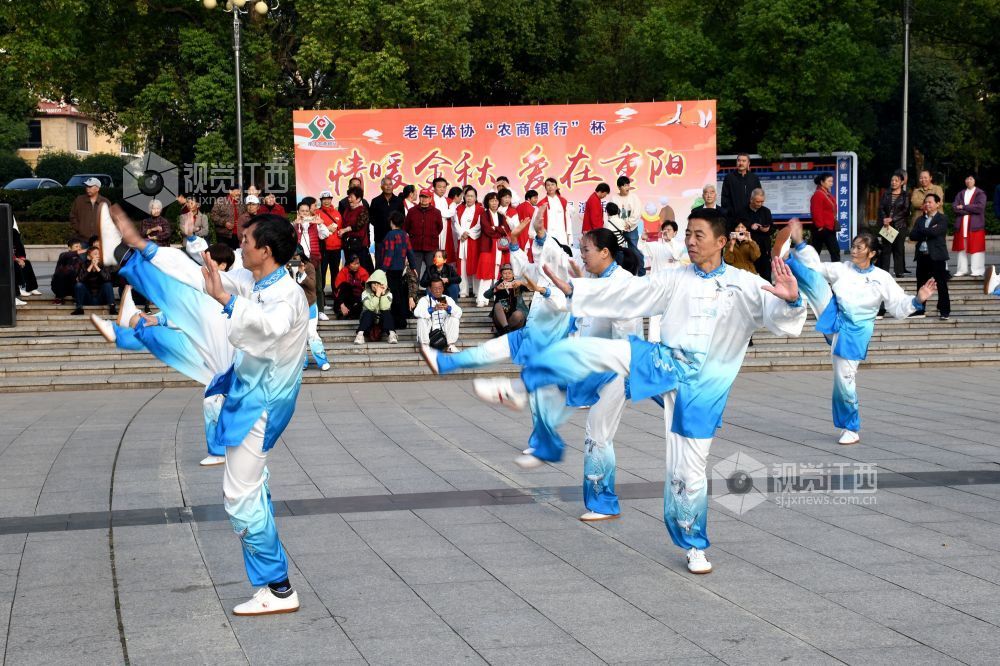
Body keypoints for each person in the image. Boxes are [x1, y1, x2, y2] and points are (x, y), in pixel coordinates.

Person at [486, 209, 807, 574]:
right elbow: (632, 293)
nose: (689, 240)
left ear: (721, 241)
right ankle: (532, 389)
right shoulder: (674, 278)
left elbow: (782, 318)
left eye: (698, 235)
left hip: (705, 388)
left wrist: (792, 302)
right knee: (615, 374)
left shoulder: (746, 284)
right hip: (665, 365)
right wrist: (577, 288)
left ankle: (692, 539)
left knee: (690, 467)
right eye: (688, 233)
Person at [113, 208, 306, 615]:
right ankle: (277, 582)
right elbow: (196, 278)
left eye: (247, 242)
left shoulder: (286, 295)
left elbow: (267, 327)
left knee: (239, 496)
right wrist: (146, 249)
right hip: (248, 394)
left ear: (265, 250)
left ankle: (280, 589)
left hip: (263, 404)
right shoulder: (254, 279)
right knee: (250, 487)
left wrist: (225, 299)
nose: (241, 247)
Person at [783, 219, 936, 445]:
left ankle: (851, 428)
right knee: (815, 279)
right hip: (834, 317)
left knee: (844, 379)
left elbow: (897, 306)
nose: (854, 251)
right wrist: (800, 243)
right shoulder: (843, 268)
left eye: (859, 248)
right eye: (853, 246)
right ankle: (787, 258)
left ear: (872, 253)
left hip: (855, 332)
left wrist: (917, 299)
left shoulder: (882, 277)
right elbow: (817, 267)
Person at [91, 242, 237, 467]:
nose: (203, 267)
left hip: (230, 358)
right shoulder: (209, 286)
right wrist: (158, 318)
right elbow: (187, 307)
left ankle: (128, 325)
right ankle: (126, 328)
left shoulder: (228, 289)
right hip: (214, 355)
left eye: (210, 263)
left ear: (223, 266)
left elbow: (191, 308)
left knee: (218, 399)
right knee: (212, 397)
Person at [640, 220, 688, 343]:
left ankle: (672, 340)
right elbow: (642, 249)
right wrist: (643, 239)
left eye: (669, 230)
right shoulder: (656, 245)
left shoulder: (679, 245)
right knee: (655, 314)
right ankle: (653, 341)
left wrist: (670, 240)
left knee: (673, 313)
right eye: (664, 229)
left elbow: (676, 255)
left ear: (675, 232)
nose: (666, 232)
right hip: (657, 285)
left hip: (674, 286)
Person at [909, 193, 950, 320]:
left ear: (938, 204)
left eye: (930, 202)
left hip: (937, 256)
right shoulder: (920, 219)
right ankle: (920, 310)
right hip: (922, 256)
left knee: (941, 284)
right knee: (921, 284)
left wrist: (924, 232)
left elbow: (937, 232)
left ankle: (944, 310)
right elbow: (912, 235)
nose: (927, 204)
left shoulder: (942, 218)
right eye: (926, 202)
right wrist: (929, 231)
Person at [289, 247, 331, 371]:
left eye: (296, 257)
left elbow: (313, 286)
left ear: (301, 256)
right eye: (291, 257)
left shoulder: (309, 267)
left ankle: (322, 360)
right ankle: (302, 362)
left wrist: (302, 272)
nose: (293, 260)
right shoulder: (286, 267)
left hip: (310, 305)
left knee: (312, 334)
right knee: (298, 336)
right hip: (295, 308)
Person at [378, 210, 417, 330]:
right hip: (400, 269)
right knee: (399, 295)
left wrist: (383, 269)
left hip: (390, 270)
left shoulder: (390, 235)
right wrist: (413, 266)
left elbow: (389, 253)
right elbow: (410, 251)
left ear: (391, 222)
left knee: (391, 296)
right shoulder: (405, 235)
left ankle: (395, 322)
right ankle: (401, 321)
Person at [475, 192, 511, 307]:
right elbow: (487, 230)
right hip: (488, 247)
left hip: (500, 247)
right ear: (487, 202)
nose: (494, 203)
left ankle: (498, 298)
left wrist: (496, 228)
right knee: (486, 272)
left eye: (496, 200)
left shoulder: (501, 215)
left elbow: (506, 230)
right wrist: (498, 229)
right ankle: (482, 299)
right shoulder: (484, 214)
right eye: (491, 200)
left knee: (498, 273)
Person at [952, 175, 988, 278]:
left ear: (975, 181)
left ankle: (978, 270)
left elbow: (980, 208)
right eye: (967, 178)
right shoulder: (961, 193)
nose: (968, 180)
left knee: (977, 247)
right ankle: (961, 270)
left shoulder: (980, 193)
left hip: (975, 225)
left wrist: (963, 207)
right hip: (962, 224)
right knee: (961, 247)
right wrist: (970, 209)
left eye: (971, 179)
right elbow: (955, 208)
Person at [403, 188, 443, 281]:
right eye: (422, 196)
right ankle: (413, 293)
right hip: (415, 246)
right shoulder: (412, 211)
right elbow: (406, 227)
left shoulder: (436, 212)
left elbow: (439, 228)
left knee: (432, 270)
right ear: (419, 198)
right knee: (414, 271)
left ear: (430, 199)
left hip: (431, 246)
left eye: (426, 197)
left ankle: (431, 292)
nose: (424, 199)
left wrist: (430, 236)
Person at [415, 277, 462, 352]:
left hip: (444, 332)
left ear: (443, 288)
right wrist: (433, 309)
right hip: (430, 333)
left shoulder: (448, 299)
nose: (437, 291)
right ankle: (425, 346)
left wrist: (449, 308)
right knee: (421, 320)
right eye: (435, 288)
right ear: (430, 289)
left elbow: (459, 312)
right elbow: (416, 313)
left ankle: (451, 345)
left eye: (440, 288)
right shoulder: (424, 300)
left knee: (454, 318)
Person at [877, 173, 910, 277]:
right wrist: (884, 218)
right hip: (887, 225)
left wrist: (892, 219)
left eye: (896, 180)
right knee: (886, 249)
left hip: (900, 225)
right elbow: (881, 208)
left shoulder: (905, 195)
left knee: (898, 249)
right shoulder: (886, 194)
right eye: (892, 180)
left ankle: (899, 271)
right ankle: (884, 272)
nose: (893, 182)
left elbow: (905, 210)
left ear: (901, 182)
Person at [453, 187, 483, 297]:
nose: (469, 198)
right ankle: (463, 291)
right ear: (464, 197)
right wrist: (462, 233)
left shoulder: (480, 209)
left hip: (473, 241)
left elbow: (479, 225)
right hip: (462, 241)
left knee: (475, 265)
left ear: (475, 198)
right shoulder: (459, 209)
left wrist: (468, 233)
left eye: (472, 196)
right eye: (467, 196)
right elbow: (456, 224)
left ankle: (476, 291)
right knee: (462, 266)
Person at [316, 192, 343, 310]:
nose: (326, 201)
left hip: (336, 248)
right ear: (320, 200)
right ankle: (322, 303)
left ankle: (337, 300)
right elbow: (316, 230)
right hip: (324, 249)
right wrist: (327, 229)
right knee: (321, 274)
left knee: (335, 274)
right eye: (324, 199)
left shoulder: (337, 213)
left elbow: (341, 229)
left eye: (328, 199)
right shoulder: (317, 213)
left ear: (331, 199)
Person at [484, 263, 528, 335]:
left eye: (509, 273)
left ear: (513, 274)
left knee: (519, 314)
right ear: (501, 275)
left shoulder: (517, 283)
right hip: (501, 317)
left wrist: (521, 283)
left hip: (515, 316)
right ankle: (506, 329)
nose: (507, 275)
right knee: (499, 304)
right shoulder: (498, 284)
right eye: (504, 273)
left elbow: (531, 288)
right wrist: (496, 289)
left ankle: (505, 331)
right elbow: (486, 295)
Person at [72, 246, 117, 316]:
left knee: (107, 284)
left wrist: (97, 267)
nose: (98, 256)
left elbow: (107, 278)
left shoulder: (104, 265)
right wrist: (91, 266)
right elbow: (80, 279)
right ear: (89, 257)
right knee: (79, 285)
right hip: (88, 298)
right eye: (95, 254)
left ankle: (112, 308)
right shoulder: (84, 265)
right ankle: (79, 308)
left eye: (99, 254)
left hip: (101, 297)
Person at [356, 270, 397, 345]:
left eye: (378, 283)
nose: (375, 286)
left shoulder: (389, 294)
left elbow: (384, 308)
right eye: (373, 283)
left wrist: (383, 294)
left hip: (382, 322)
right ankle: (360, 335)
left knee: (387, 313)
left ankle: (392, 334)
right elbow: (370, 307)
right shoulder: (365, 293)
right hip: (368, 321)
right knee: (368, 312)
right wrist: (377, 295)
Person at [340, 185, 374, 273]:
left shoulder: (363, 210)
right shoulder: (347, 210)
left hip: (360, 245)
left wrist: (345, 230)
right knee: (349, 269)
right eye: (348, 197)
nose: (349, 199)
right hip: (348, 245)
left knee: (362, 269)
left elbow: (359, 225)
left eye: (351, 197)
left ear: (358, 199)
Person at [69, 177, 111, 242]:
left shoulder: (105, 202)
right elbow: (72, 216)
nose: (87, 189)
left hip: (99, 241)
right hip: (81, 239)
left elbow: (110, 220)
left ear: (97, 188)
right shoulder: (79, 200)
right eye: (86, 186)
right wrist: (79, 229)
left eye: (90, 186)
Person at [369, 177, 403, 257]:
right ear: (381, 187)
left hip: (395, 238)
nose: (388, 187)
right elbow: (371, 217)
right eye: (386, 185)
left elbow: (402, 218)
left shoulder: (398, 201)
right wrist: (380, 225)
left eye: (390, 184)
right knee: (380, 265)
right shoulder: (376, 201)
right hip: (380, 238)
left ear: (393, 186)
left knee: (394, 264)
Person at [720, 152, 762, 219]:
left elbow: (759, 195)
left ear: (748, 163)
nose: (741, 163)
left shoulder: (754, 178)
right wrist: (729, 212)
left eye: (744, 161)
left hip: (751, 217)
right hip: (733, 217)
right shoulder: (729, 178)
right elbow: (725, 197)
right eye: (739, 160)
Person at [809, 173, 840, 262]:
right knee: (817, 252)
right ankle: (811, 271)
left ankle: (835, 271)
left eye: (832, 181)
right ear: (822, 182)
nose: (831, 183)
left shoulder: (826, 193)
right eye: (829, 181)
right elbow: (816, 211)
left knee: (833, 251)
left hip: (828, 227)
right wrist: (820, 226)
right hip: (823, 228)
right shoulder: (818, 194)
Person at [743, 189, 773, 280]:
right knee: (750, 278)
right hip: (749, 249)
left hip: (764, 249)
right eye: (757, 201)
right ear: (751, 200)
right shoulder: (743, 211)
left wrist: (767, 229)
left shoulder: (766, 211)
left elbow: (772, 227)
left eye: (762, 202)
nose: (760, 204)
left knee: (766, 277)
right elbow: (737, 227)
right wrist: (750, 226)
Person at [608, 176, 642, 253]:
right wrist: (620, 225)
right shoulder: (614, 198)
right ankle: (622, 265)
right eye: (624, 185)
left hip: (631, 229)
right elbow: (611, 214)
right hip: (618, 230)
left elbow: (637, 212)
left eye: (628, 185)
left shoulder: (634, 197)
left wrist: (629, 223)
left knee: (634, 250)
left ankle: (637, 265)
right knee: (618, 251)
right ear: (619, 187)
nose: (627, 187)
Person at [332, 255, 369, 319]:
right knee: (345, 285)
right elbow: (338, 291)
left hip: (357, 299)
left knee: (360, 305)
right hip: (343, 300)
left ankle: (346, 314)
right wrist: (342, 305)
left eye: (358, 263)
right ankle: (343, 311)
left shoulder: (363, 272)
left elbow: (367, 290)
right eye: (354, 264)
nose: (357, 265)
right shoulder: (343, 272)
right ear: (349, 264)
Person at [539, 177, 572, 246]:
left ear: (556, 187)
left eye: (552, 184)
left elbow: (568, 219)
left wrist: (569, 234)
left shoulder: (563, 201)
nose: (550, 187)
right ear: (545, 188)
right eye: (548, 185)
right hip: (548, 235)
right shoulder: (541, 203)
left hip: (562, 235)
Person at [211, 185, 245, 250]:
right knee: (223, 255)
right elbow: (213, 215)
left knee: (236, 256)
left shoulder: (241, 204)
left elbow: (245, 216)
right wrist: (225, 223)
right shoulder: (221, 201)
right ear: (230, 191)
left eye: (240, 192)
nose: (239, 193)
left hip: (238, 236)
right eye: (237, 191)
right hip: (223, 235)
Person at [52, 238, 86, 303]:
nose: (79, 248)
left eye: (80, 247)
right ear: (69, 248)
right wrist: (77, 252)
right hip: (60, 286)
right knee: (62, 273)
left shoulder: (80, 260)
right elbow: (65, 255)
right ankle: (59, 298)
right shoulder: (63, 255)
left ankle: (76, 297)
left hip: (73, 286)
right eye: (76, 246)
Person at [12, 223, 39, 297]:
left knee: (27, 263)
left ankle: (31, 288)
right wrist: (16, 259)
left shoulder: (14, 232)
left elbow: (19, 247)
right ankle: (19, 288)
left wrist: (21, 259)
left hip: (14, 258)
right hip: (6, 260)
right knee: (15, 265)